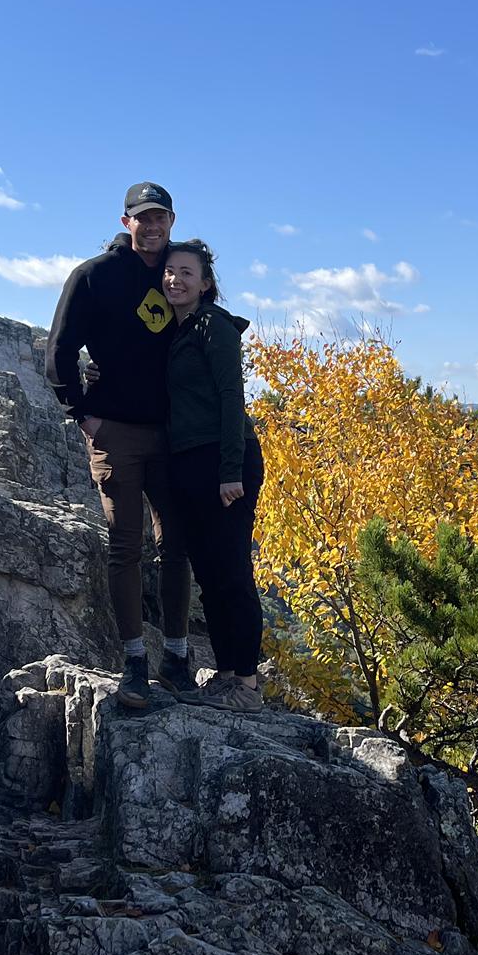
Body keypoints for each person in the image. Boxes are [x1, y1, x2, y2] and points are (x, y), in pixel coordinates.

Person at [45, 182, 193, 707]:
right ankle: (134, 663)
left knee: (178, 542)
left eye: (161, 218)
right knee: (125, 545)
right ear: (126, 221)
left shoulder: (179, 273)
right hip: (117, 434)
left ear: (171, 221)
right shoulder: (93, 277)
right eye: (143, 218)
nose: (152, 227)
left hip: (174, 433)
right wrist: (84, 417)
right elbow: (60, 351)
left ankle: (176, 657)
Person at [159, 239, 265, 713]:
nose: (175, 279)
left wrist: (229, 472)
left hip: (227, 462)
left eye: (186, 273)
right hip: (191, 464)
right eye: (169, 272)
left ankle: (246, 683)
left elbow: (230, 397)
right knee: (209, 573)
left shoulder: (213, 326)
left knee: (232, 572)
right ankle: (225, 673)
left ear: (205, 284)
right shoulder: (177, 332)